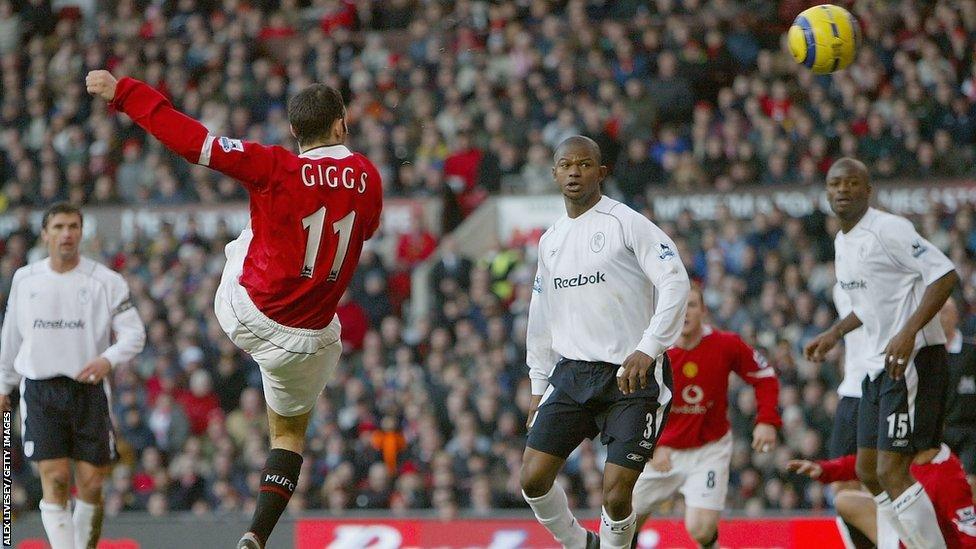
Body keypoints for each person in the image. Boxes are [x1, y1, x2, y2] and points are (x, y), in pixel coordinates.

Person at [86, 70, 383, 549]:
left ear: (294, 131)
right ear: (341, 125)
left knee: (247, 237)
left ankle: (251, 538)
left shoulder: (274, 165)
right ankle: (257, 533)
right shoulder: (368, 175)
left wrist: (124, 92)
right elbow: (363, 231)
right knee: (288, 436)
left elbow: (193, 142)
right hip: (313, 338)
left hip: (247, 314)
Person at [521, 135, 690, 549]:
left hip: (631, 377)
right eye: (566, 165)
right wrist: (539, 385)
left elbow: (675, 281)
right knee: (532, 479)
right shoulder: (551, 240)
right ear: (555, 172)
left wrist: (648, 348)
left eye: (583, 164)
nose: (574, 172)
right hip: (573, 373)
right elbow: (541, 315)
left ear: (601, 171)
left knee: (616, 494)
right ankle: (579, 543)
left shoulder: (626, 222)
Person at [805, 157, 958, 549]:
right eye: (836, 184)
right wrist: (835, 332)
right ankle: (907, 541)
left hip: (914, 359)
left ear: (868, 190)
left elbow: (944, 274)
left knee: (892, 470)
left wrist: (908, 333)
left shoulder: (888, 229)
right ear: (826, 191)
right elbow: (871, 303)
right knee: (867, 470)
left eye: (852, 183)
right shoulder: (843, 241)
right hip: (878, 364)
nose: (842, 190)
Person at [0, 203, 146, 549]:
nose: (67, 234)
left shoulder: (106, 281)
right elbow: (11, 337)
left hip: (88, 391)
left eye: (73, 227)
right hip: (40, 389)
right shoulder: (26, 279)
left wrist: (107, 360)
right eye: (59, 227)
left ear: (81, 233)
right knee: (56, 478)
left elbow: (134, 333)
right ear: (45, 234)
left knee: (92, 483)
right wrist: (3, 386)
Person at [630, 285, 781, 549]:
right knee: (624, 516)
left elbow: (765, 377)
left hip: (708, 450)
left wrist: (767, 420)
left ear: (704, 311)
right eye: (679, 305)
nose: (685, 312)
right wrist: (653, 446)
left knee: (700, 529)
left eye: (692, 305)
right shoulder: (652, 351)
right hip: (661, 450)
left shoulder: (726, 344)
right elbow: (631, 403)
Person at [788, 444, 976, 549]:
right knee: (845, 500)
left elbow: (969, 533)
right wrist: (824, 469)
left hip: (924, 542)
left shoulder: (948, 475)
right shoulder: (901, 453)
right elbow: (865, 465)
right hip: (897, 529)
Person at [830, 284, 876, 549]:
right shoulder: (840, 287)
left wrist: (833, 332)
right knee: (841, 487)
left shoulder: (882, 278)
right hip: (850, 390)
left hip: (880, 388)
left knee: (876, 480)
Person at [941, 296, 976, 500]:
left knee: (970, 481)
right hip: (937, 432)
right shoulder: (927, 354)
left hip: (968, 430)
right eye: (938, 311)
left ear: (956, 316)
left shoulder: (971, 351)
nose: (941, 316)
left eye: (946, 311)